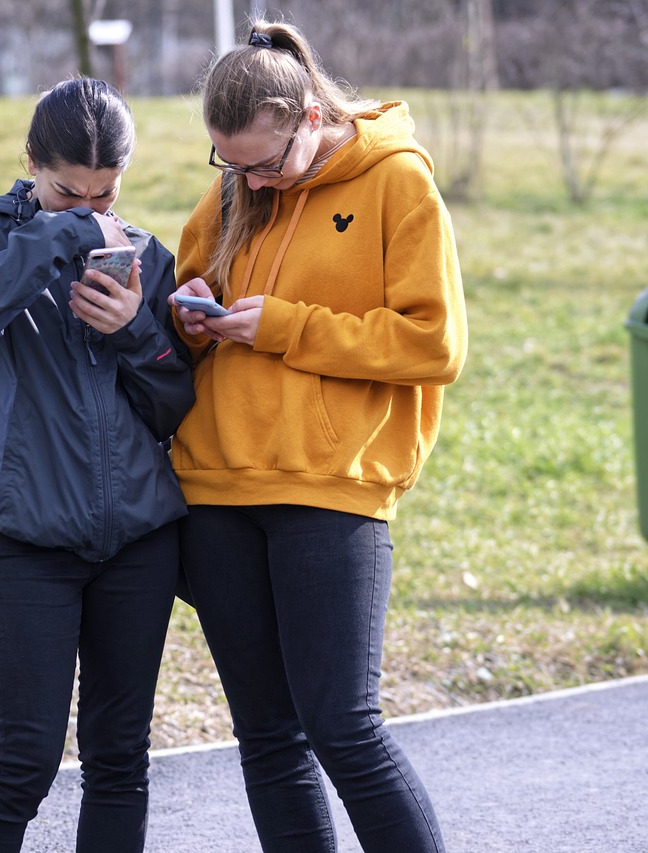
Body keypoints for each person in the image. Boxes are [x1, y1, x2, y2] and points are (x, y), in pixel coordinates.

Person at [169, 20, 468, 853]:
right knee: (266, 737)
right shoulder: (237, 186)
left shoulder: (396, 181)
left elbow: (434, 344)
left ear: (307, 117)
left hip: (331, 486)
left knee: (344, 727)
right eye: (229, 165)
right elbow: (195, 293)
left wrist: (287, 326)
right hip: (218, 488)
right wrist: (187, 316)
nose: (249, 181)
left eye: (265, 163)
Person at [0, 77, 195, 853]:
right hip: (29, 542)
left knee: (120, 761)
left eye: (105, 194)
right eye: (67, 192)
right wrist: (56, 236)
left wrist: (134, 332)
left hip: (140, 542)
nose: (90, 208)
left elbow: (175, 400)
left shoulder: (146, 252)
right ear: (30, 164)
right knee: (24, 760)